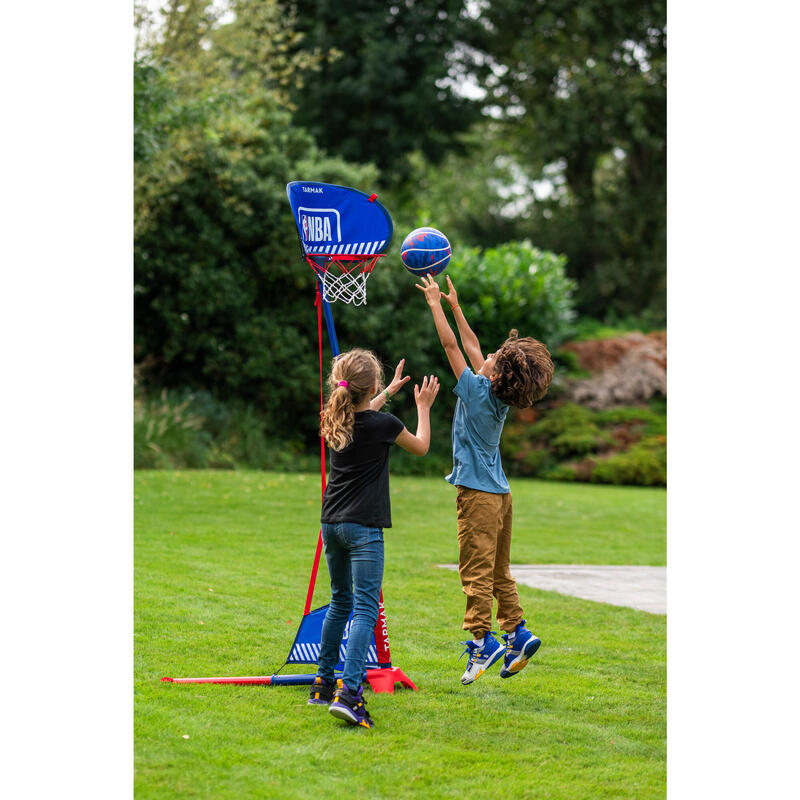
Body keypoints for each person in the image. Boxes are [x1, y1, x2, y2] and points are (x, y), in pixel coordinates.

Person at [416, 274, 554, 685]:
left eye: (494, 357)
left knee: (474, 570)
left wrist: (435, 305)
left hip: (477, 496)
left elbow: (453, 347)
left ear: (494, 375)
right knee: (497, 570)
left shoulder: (476, 392)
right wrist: (457, 307)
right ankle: (517, 631)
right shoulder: (493, 394)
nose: (488, 353)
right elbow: (474, 348)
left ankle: (482, 642)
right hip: (501, 494)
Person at [307, 349, 440, 728]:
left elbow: (364, 412)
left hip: (331, 524)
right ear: (373, 385)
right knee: (364, 606)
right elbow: (422, 446)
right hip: (364, 528)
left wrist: (389, 392)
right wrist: (424, 406)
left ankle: (323, 681)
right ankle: (349, 694)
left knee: (340, 601)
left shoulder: (335, 419)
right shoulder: (384, 424)